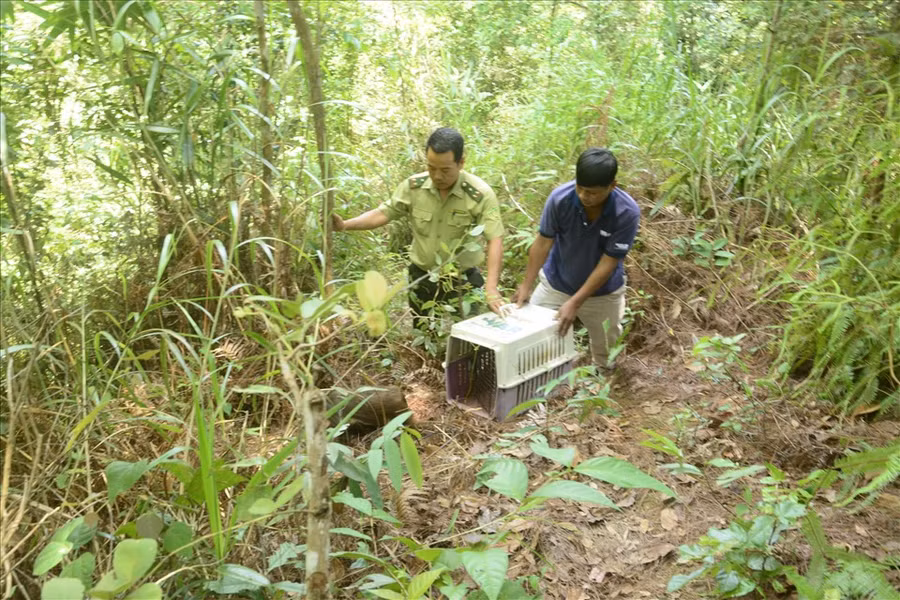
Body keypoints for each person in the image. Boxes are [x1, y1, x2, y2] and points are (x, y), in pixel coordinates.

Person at [333, 127, 505, 329]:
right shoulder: (413, 187)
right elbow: (383, 213)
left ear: (461, 163)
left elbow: (495, 238)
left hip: (462, 281)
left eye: (445, 170)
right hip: (422, 276)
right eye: (432, 168)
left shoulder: (479, 194)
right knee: (423, 332)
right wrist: (344, 225)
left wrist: (491, 288)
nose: (437, 176)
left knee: (470, 338)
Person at [512, 148, 640, 370]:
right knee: (530, 336)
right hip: (557, 283)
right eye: (580, 188)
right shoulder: (560, 199)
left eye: (592, 192)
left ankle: (602, 380)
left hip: (604, 293)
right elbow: (543, 243)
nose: (584, 196)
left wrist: (575, 301)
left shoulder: (626, 212)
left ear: (613, 186)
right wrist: (526, 285)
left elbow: (609, 262)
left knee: (607, 352)